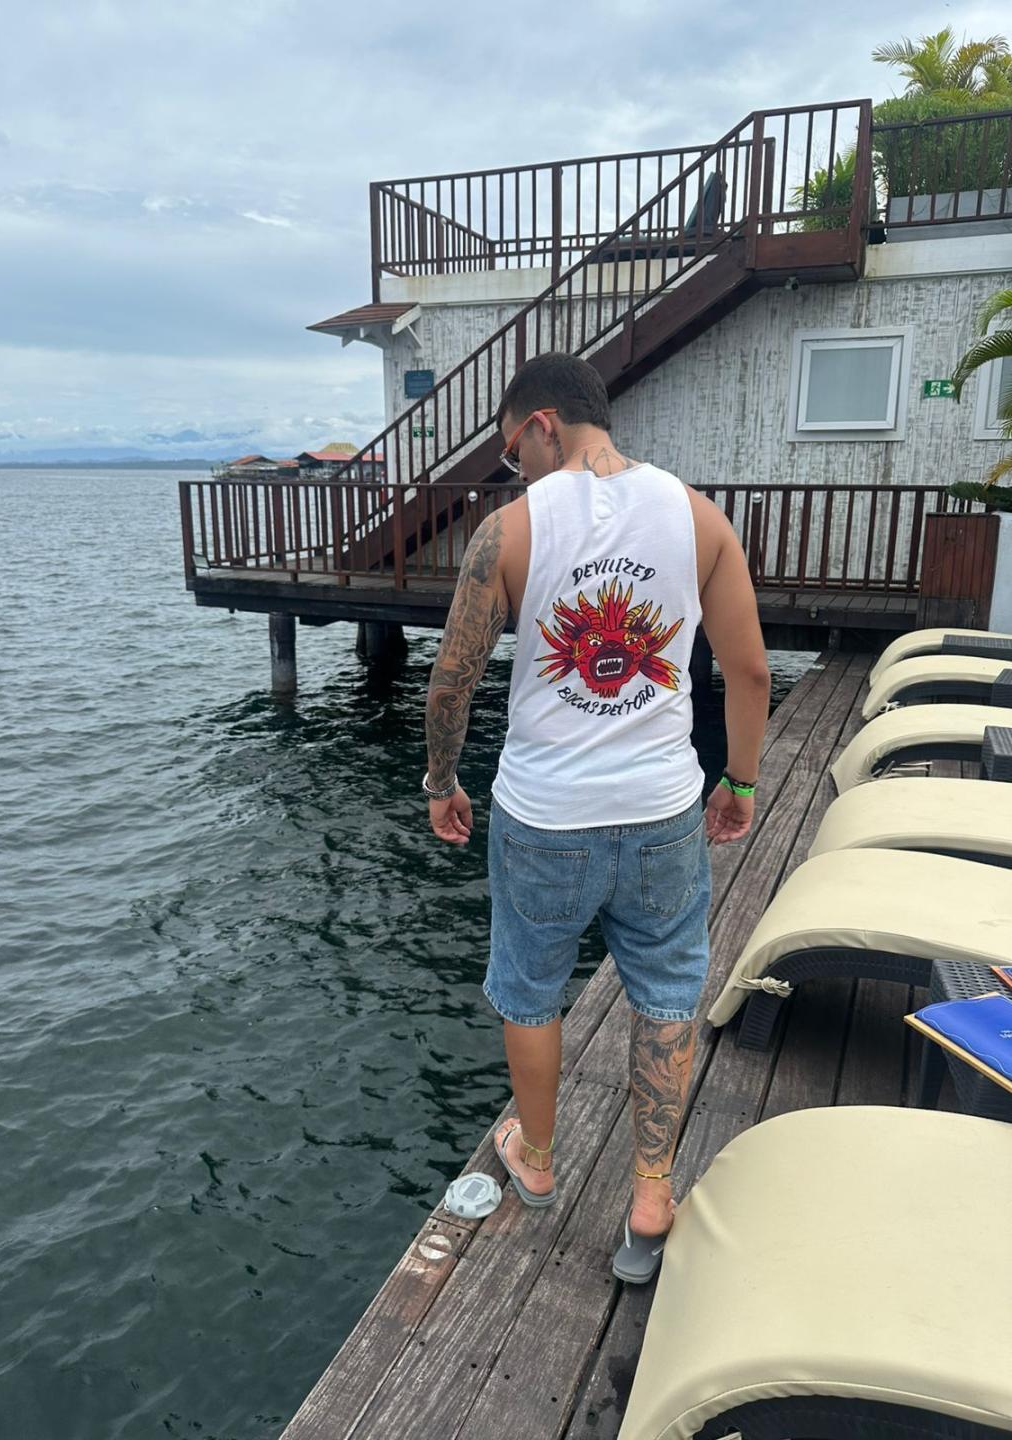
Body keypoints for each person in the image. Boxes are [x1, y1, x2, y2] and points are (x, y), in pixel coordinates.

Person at [423, 352, 770, 1281]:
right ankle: (652, 1193)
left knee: (530, 988)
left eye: (513, 451)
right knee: (666, 993)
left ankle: (535, 1159)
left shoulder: (508, 531)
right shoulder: (699, 518)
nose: (516, 469)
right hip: (662, 812)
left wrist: (441, 780)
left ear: (542, 424)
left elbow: (451, 681)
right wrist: (739, 783)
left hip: (543, 815)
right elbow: (750, 671)